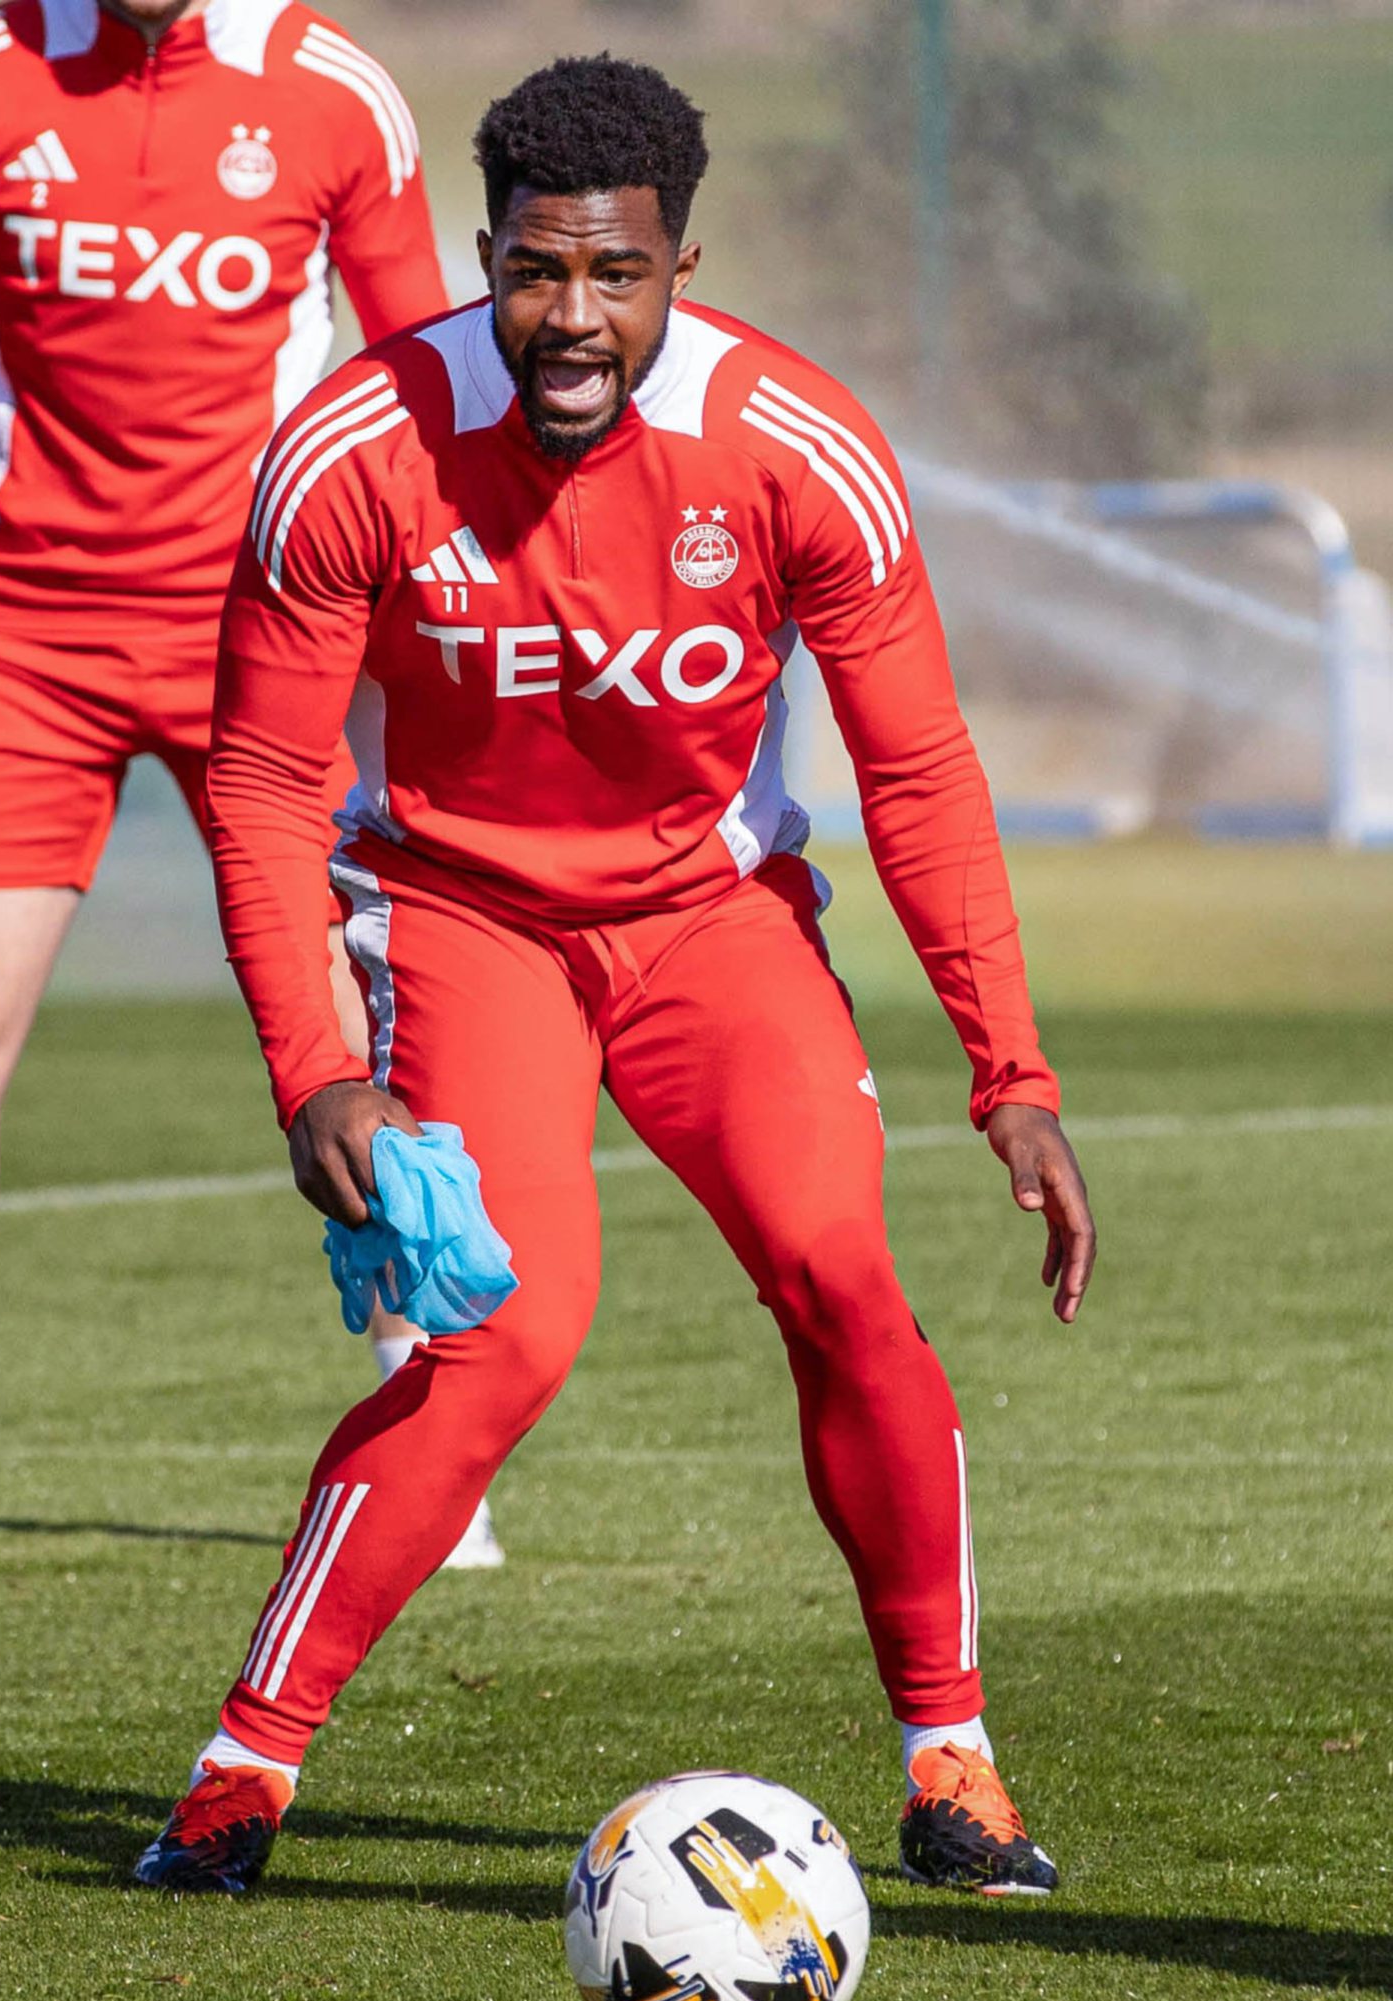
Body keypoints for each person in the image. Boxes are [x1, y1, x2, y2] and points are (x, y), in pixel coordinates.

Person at [134, 53, 1097, 1901]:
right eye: (535, 273)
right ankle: (240, 1772)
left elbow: (918, 771)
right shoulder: (352, 447)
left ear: (682, 262)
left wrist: (1013, 1072)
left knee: (842, 1278)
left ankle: (950, 1755)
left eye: (618, 276)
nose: (573, 321)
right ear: (485, 255)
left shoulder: (795, 446)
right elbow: (258, 783)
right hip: (462, 919)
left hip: (710, 923)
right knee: (504, 1342)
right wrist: (318, 1071)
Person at [0, 0, 502, 1563]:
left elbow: (422, 381)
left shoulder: (333, 96)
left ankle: (423, 1416)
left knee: (341, 1026)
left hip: (263, 632)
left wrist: (439, 620)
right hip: (21, 637)